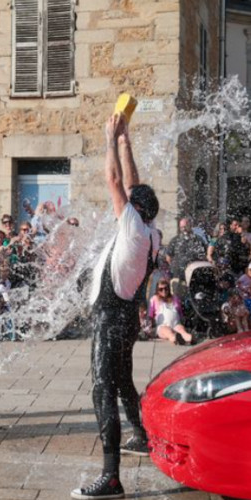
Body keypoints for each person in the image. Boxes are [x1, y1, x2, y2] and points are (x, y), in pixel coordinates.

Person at [71, 113, 160, 500]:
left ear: (134, 209)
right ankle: (139, 435)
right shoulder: (151, 230)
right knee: (122, 380)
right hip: (127, 318)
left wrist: (108, 138)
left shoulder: (134, 228)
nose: (121, 201)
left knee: (102, 390)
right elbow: (132, 184)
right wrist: (126, 140)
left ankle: (111, 478)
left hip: (110, 320)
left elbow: (114, 182)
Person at [148, 278, 193, 345]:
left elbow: (180, 314)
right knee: (168, 332)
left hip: (176, 324)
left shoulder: (175, 298)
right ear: (157, 290)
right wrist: (150, 328)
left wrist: (182, 322)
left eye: (166, 288)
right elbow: (150, 315)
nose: (164, 291)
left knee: (182, 330)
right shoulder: (154, 299)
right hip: (162, 326)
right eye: (161, 289)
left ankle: (189, 339)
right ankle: (175, 339)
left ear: (168, 289)